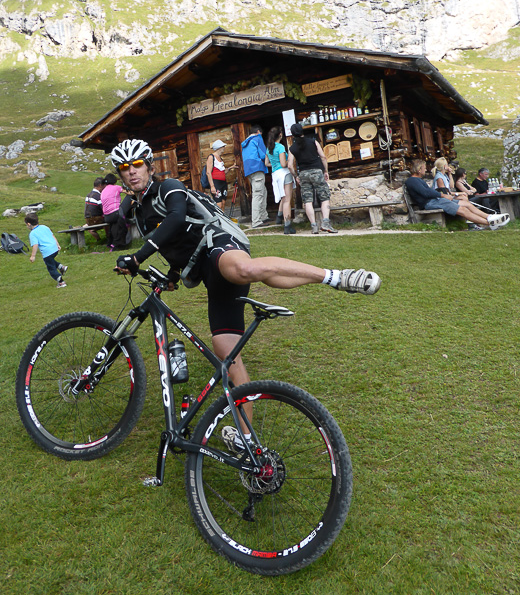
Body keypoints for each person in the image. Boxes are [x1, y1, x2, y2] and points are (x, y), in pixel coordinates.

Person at [112, 138, 381, 442]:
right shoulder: (139, 211)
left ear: (149, 166)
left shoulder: (168, 187)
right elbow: (175, 244)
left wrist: (138, 256)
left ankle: (336, 277)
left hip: (218, 243)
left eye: (137, 164)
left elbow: (175, 218)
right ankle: (246, 438)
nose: (132, 171)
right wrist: (173, 275)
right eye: (125, 167)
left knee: (242, 269)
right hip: (206, 272)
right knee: (228, 357)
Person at [405, 159, 509, 230]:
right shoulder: (412, 181)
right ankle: (491, 223)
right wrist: (443, 195)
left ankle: (489, 217)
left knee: (466, 203)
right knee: (463, 210)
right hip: (430, 203)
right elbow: (426, 193)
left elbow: (429, 192)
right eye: (424, 168)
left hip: (435, 200)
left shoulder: (417, 180)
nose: (425, 170)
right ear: (419, 169)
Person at [287, 123, 336, 234]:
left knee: (307, 200)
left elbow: (289, 165)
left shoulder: (292, 148)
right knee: (324, 197)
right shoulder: (313, 142)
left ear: (292, 134)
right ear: (302, 131)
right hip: (316, 171)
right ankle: (325, 223)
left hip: (303, 174)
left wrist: (296, 176)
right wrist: (325, 171)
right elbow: (323, 157)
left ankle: (314, 226)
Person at [265, 126, 295, 234]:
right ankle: (287, 225)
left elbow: (266, 163)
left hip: (275, 174)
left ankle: (279, 217)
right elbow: (283, 164)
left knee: (283, 197)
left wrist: (274, 165)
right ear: (280, 135)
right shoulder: (280, 147)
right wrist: (290, 160)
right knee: (287, 200)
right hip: (284, 174)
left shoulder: (269, 148)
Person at [25, 212, 68, 288]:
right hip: (54, 249)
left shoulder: (33, 233)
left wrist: (33, 256)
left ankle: (61, 282)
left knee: (51, 268)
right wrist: (57, 244)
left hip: (47, 252)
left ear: (28, 224)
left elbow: (35, 245)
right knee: (50, 261)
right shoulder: (44, 227)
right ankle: (61, 267)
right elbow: (52, 235)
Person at [240, 124, 271, 228]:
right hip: (257, 168)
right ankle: (256, 221)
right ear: (258, 132)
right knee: (258, 194)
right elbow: (263, 154)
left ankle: (263, 216)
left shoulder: (246, 142)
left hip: (249, 170)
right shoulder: (257, 138)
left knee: (263, 191)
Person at [205, 140, 235, 213]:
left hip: (223, 183)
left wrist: (231, 167)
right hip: (216, 183)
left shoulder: (220, 158)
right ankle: (218, 218)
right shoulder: (211, 157)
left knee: (223, 203)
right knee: (219, 204)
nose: (224, 148)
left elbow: (222, 171)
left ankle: (223, 218)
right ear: (219, 147)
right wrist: (212, 186)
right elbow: (208, 172)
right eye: (223, 146)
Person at [101, 173, 129, 251]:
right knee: (121, 224)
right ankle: (119, 244)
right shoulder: (116, 187)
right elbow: (129, 193)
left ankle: (111, 243)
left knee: (114, 227)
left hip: (107, 216)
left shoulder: (103, 191)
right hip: (115, 213)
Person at [84, 177, 106, 242]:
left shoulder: (88, 195)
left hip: (88, 220)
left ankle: (99, 240)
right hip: (96, 220)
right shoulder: (98, 196)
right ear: (100, 185)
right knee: (110, 221)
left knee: (89, 227)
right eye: (104, 186)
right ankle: (109, 238)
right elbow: (103, 209)